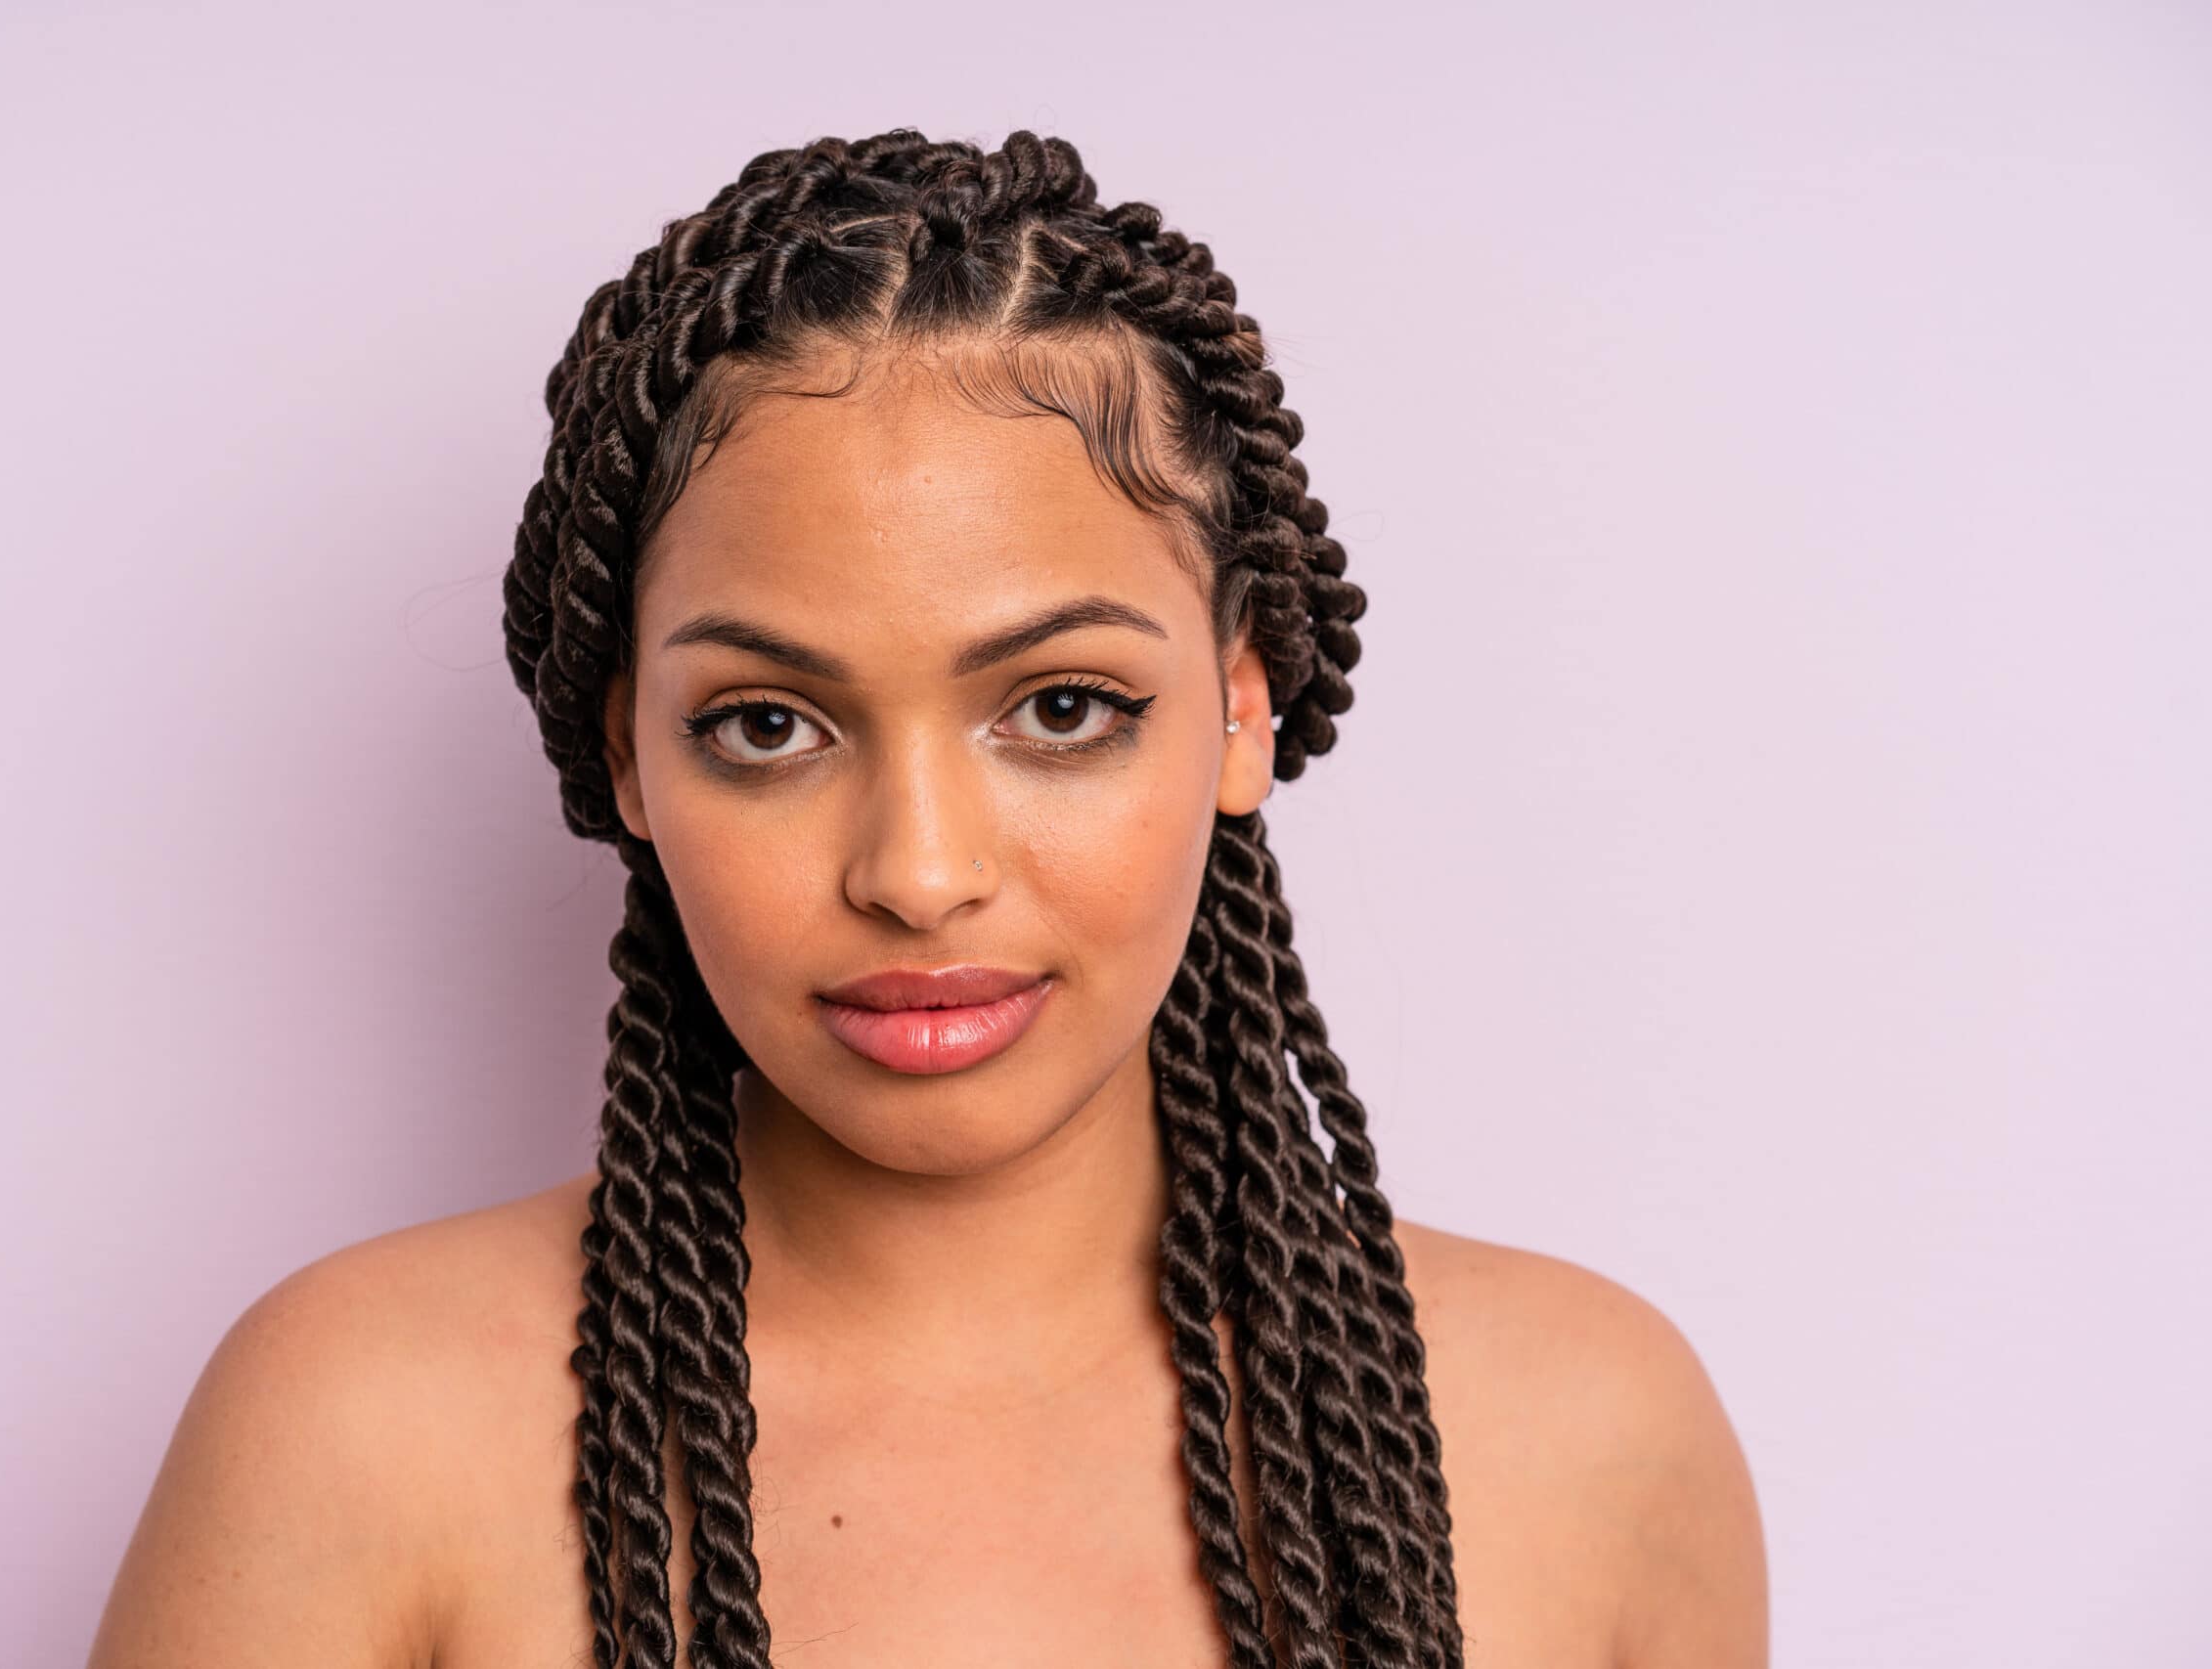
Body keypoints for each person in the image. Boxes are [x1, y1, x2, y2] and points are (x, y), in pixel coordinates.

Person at [87, 127, 1767, 1668]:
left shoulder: (1590, 1433)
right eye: (767, 725)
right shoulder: (358, 1433)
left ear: (1243, 708)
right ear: (627, 757)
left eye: (1062, 708)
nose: (919, 875)